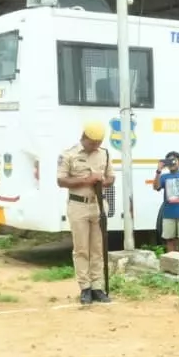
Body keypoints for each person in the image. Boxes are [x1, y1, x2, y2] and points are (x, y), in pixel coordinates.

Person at [57, 121, 114, 305]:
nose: (95, 146)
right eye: (92, 143)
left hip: (98, 204)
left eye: (99, 143)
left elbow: (111, 177)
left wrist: (103, 181)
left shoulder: (104, 153)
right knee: (81, 249)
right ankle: (85, 288)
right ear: (84, 137)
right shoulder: (69, 154)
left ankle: (98, 286)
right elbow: (61, 181)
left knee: (98, 247)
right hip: (78, 205)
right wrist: (86, 180)